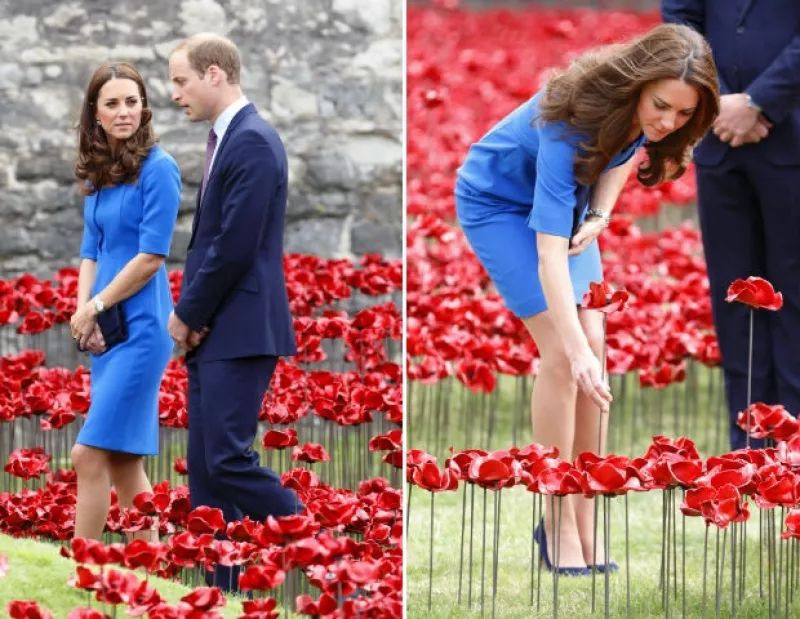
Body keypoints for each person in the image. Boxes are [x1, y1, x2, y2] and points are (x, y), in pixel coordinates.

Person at [454, 24, 719, 574]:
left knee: (594, 339)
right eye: (661, 107)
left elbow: (628, 152)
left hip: (572, 200)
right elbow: (550, 257)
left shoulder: (643, 114)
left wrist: (599, 212)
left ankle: (585, 510)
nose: (667, 123)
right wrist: (574, 354)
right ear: (637, 86)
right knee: (562, 352)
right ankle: (554, 515)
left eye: (681, 116)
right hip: (498, 204)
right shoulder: (569, 122)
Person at [166, 33, 302, 589]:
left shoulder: (251, 141)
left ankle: (314, 533)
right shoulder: (230, 138)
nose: (175, 94)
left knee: (224, 460)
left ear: (215, 73)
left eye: (181, 80)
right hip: (220, 329)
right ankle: (219, 591)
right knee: (204, 475)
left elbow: (233, 246)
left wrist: (187, 313)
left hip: (240, 328)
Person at [662, 2, 800, 452]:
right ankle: (747, 450)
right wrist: (717, 102)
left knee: (795, 298)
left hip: (792, 134)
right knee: (734, 301)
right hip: (719, 141)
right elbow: (681, 18)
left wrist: (761, 102)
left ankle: (794, 448)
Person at [69, 62, 182, 541]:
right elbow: (91, 250)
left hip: (141, 327)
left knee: (87, 455)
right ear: (95, 113)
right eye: (112, 103)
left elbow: (152, 257)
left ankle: (81, 569)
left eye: (132, 102)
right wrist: (83, 313)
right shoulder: (100, 172)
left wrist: (96, 307)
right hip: (105, 329)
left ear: (144, 106)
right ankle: (154, 565)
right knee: (122, 461)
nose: (123, 112)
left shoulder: (160, 168)